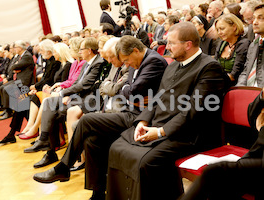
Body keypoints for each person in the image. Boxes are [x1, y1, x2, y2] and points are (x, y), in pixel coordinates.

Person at [33, 35, 167, 200]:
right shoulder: (135, 60)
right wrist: (125, 89)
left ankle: (63, 167)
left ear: (135, 50)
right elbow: (125, 88)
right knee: (92, 140)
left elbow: (131, 90)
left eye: (126, 60)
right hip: (128, 110)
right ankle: (97, 194)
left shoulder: (153, 61)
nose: (126, 64)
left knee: (86, 120)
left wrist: (124, 89)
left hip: (140, 116)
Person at [104, 22, 228, 200]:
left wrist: (161, 132)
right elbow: (157, 99)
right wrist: (143, 121)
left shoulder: (209, 67)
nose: (166, 47)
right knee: (117, 147)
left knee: (146, 162)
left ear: (188, 44)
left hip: (191, 134)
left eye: (171, 43)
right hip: (161, 126)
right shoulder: (172, 66)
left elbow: (194, 111)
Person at [180, 87, 264, 200]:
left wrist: (262, 128)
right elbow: (252, 117)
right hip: (257, 153)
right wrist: (262, 96)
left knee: (215, 172)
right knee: (220, 183)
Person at [66, 37, 129, 170]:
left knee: (81, 121)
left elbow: (113, 89)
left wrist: (108, 87)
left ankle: (68, 162)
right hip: (102, 103)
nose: (109, 60)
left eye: (111, 57)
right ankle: (92, 177)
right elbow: (103, 86)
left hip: (116, 110)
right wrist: (108, 86)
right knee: (79, 126)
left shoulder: (126, 65)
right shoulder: (112, 65)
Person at [0, 40, 35, 120]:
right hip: (19, 79)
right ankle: (7, 109)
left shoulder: (27, 56)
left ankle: (9, 111)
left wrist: (16, 66)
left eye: (15, 47)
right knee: (2, 87)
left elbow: (13, 67)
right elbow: (13, 67)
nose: (14, 49)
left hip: (24, 81)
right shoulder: (21, 56)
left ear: (20, 48)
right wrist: (16, 66)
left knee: (5, 89)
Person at [214, 13, 250, 84]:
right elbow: (213, 67)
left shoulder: (243, 44)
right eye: (217, 30)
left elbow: (234, 75)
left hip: (235, 86)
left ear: (234, 27)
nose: (219, 32)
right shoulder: (222, 44)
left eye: (222, 29)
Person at [237, 4, 264, 88]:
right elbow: (246, 71)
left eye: (260, 18)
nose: (254, 22)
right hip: (249, 92)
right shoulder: (254, 44)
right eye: (254, 18)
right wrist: (240, 88)